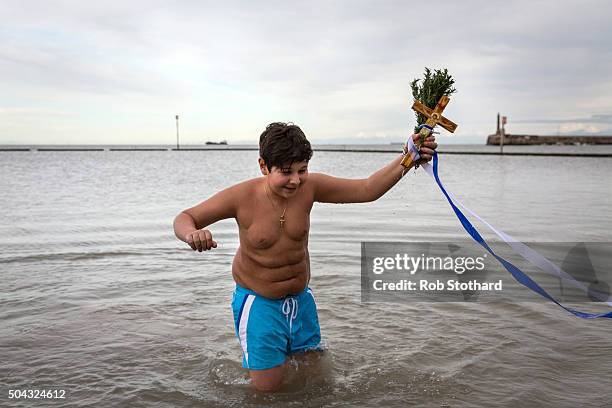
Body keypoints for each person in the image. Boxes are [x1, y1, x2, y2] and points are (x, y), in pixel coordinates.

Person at [173, 122, 437, 392]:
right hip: (260, 305)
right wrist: (192, 234)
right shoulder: (241, 196)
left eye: (302, 170)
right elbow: (185, 218)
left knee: (315, 382)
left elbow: (367, 189)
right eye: (286, 172)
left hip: (301, 301)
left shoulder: (309, 188)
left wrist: (409, 157)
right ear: (264, 166)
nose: (296, 180)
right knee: (266, 391)